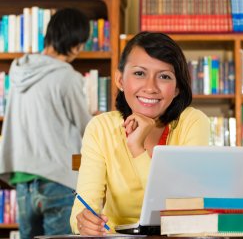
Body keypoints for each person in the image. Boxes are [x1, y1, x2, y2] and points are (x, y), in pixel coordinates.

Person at [69, 31, 210, 236]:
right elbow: (81, 212)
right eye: (139, 73)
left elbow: (181, 211)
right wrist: (84, 223)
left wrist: (137, 148)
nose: (150, 87)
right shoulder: (100, 128)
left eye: (164, 76)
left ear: (177, 88)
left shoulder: (193, 122)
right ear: (120, 79)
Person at [0, 8, 91, 239]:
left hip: (23, 180)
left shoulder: (18, 69)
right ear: (75, 42)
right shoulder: (67, 77)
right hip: (57, 179)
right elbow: (87, 129)